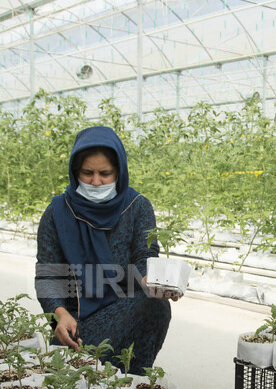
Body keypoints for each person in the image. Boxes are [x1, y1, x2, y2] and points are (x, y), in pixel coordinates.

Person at [35, 126, 173, 375]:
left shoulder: (137, 207)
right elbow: (48, 274)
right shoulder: (57, 213)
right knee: (84, 375)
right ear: (75, 171)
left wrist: (151, 280)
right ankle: (90, 376)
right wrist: (58, 314)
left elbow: (145, 254)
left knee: (155, 304)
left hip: (125, 309)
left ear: (119, 171)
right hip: (77, 324)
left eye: (105, 174)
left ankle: (132, 381)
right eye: (87, 173)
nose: (95, 181)